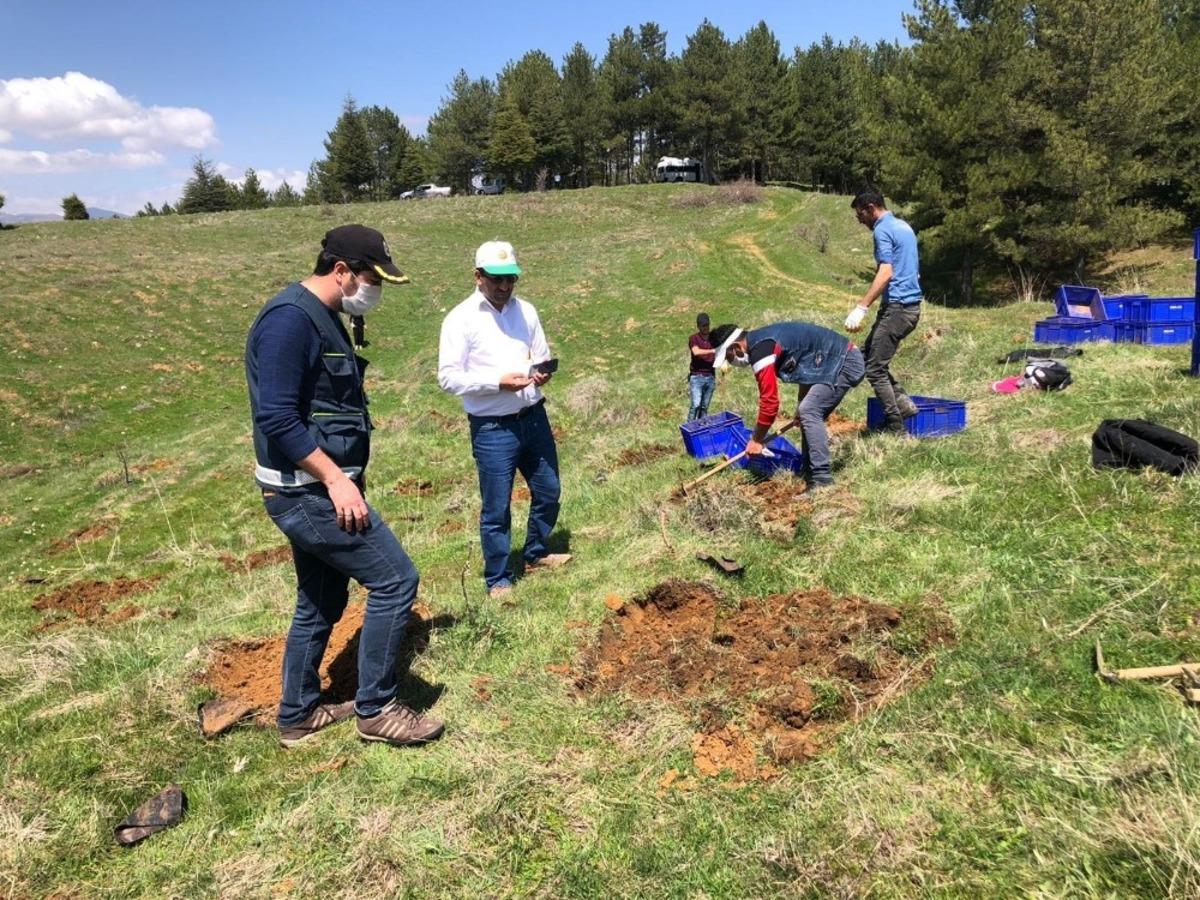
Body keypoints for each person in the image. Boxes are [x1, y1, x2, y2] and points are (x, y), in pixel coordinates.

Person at [245, 224, 444, 749]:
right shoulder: (290, 322)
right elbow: (277, 418)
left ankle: (298, 715)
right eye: (369, 277)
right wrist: (336, 480)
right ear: (340, 271)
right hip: (306, 493)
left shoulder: (323, 317)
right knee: (396, 580)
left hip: (312, 489)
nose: (373, 290)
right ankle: (376, 709)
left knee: (320, 601)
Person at [438, 240, 571, 600]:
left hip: (534, 417)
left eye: (510, 278)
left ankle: (536, 552)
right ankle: (497, 578)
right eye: (496, 279)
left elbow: (539, 355)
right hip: (493, 428)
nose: (504, 286)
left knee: (549, 490)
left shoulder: (526, 311)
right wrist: (497, 383)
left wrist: (541, 374)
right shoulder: (460, 319)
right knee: (496, 507)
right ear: (477, 276)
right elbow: (448, 378)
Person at [709, 321, 865, 489]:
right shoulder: (762, 341)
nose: (731, 362)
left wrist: (756, 440)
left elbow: (770, 402)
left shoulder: (761, 350)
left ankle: (822, 480)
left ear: (736, 347)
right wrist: (799, 404)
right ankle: (808, 471)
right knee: (805, 411)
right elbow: (808, 369)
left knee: (810, 410)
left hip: (844, 361)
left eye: (728, 357)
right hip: (831, 363)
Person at [843, 189, 922, 433]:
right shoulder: (903, 226)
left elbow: (886, 272)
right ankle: (903, 404)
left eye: (860, 214)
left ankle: (896, 427)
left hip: (898, 309)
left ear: (869, 207)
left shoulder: (882, 230)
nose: (859, 220)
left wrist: (861, 307)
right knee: (868, 355)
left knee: (874, 369)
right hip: (908, 307)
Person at [687, 312, 717, 421]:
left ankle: (701, 427)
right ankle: (690, 427)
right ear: (698, 326)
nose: (706, 327)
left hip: (710, 376)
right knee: (696, 405)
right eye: (703, 325)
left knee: (704, 407)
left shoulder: (714, 338)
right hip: (697, 376)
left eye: (707, 325)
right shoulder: (693, 338)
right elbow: (696, 351)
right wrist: (713, 350)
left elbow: (721, 351)